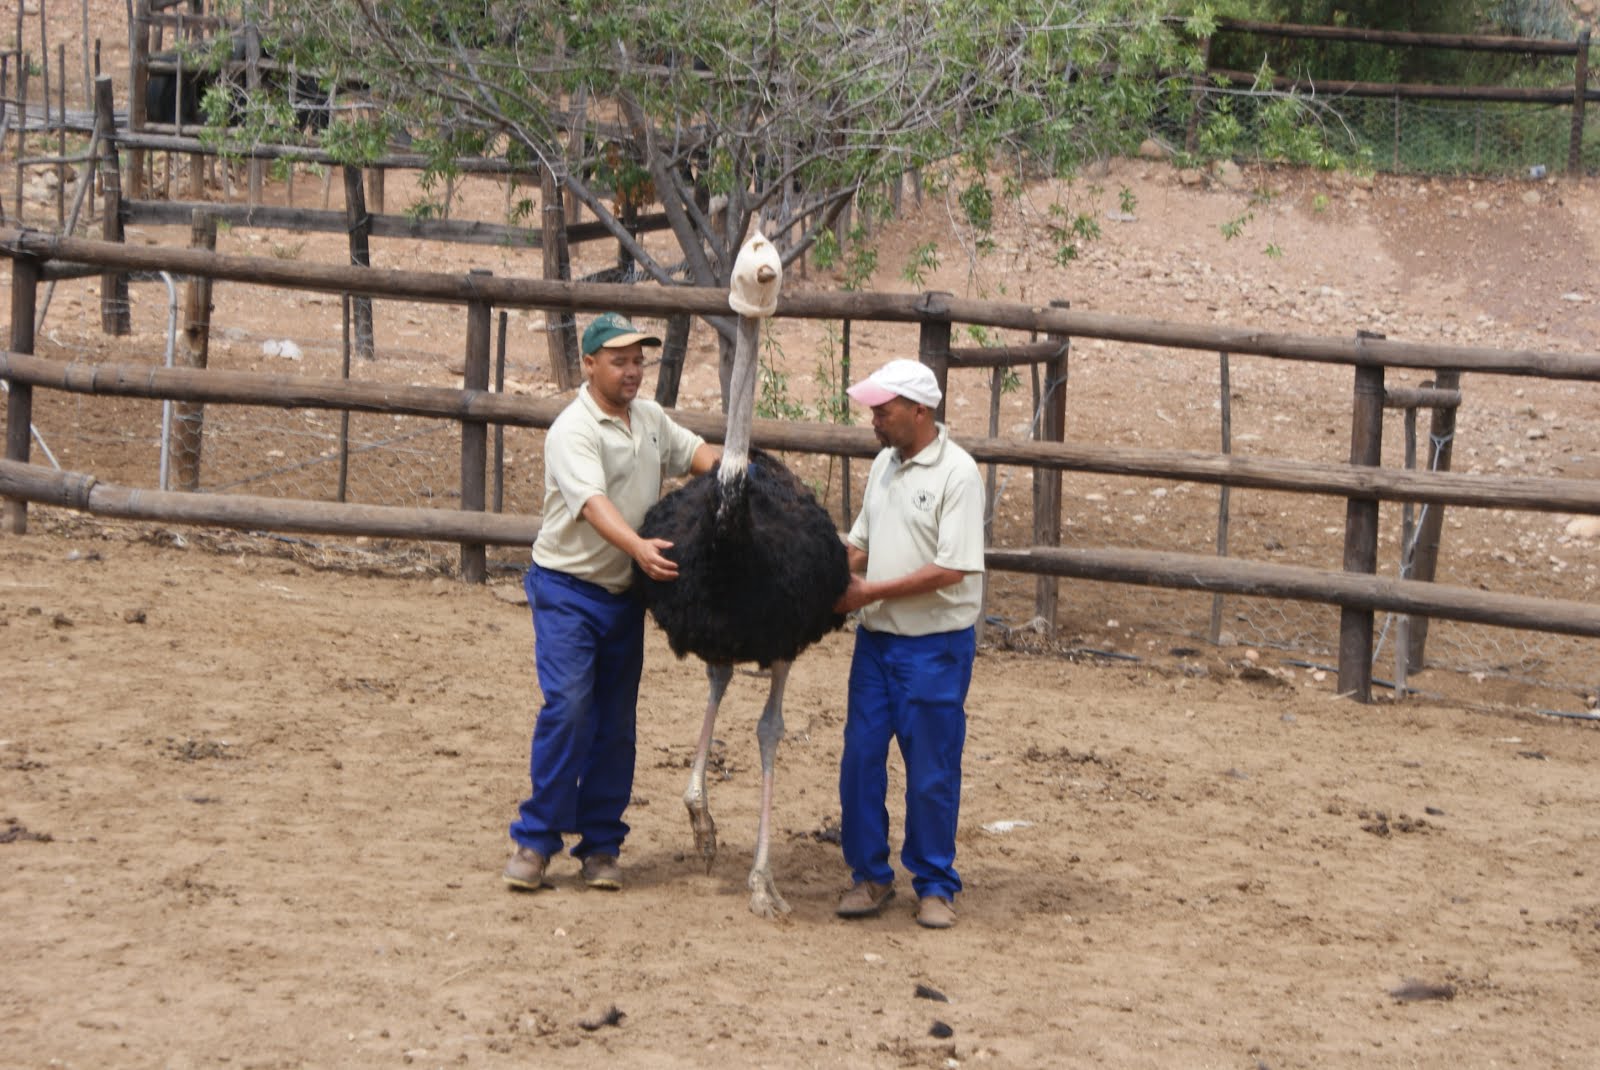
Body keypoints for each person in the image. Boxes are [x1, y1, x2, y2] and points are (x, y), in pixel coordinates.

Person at [503, 311, 719, 893]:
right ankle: (536, 839)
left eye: (638, 361)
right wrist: (639, 548)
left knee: (616, 724)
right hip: (568, 590)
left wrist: (741, 477)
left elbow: (696, 454)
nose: (632, 371)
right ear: (589, 364)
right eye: (619, 361)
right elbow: (593, 505)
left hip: (623, 596)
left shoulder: (648, 419)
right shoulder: (573, 430)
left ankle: (601, 845)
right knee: (570, 707)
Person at [832, 358, 986, 930]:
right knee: (860, 759)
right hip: (877, 642)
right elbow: (861, 544)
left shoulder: (958, 475)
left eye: (883, 409)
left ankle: (935, 884)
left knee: (931, 770)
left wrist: (868, 592)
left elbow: (952, 568)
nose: (874, 419)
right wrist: (823, 576)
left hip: (934, 647)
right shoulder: (883, 466)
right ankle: (870, 873)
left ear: (919, 411)